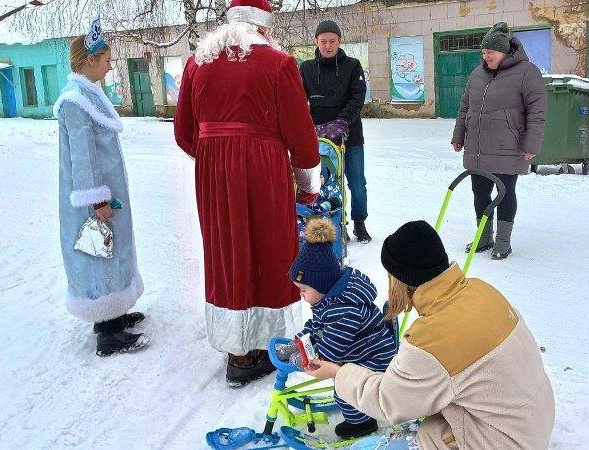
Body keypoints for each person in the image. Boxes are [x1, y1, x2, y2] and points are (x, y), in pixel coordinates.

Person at [305, 221, 555, 449]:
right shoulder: (481, 290)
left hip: (503, 441)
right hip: (533, 422)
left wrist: (339, 373)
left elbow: (387, 402)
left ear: (400, 279)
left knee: (417, 438)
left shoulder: (431, 339)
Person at [174, 0, 321, 387]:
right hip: (264, 169)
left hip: (213, 174)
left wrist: (215, 156)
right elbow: (302, 137)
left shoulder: (197, 63)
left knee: (227, 250)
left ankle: (237, 351)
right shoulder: (278, 63)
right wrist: (307, 185)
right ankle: (266, 343)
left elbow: (184, 133)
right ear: (264, 25)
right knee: (270, 247)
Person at [55, 24, 148, 356]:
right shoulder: (75, 101)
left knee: (113, 248)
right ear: (91, 61)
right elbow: (83, 158)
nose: (111, 66)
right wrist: (97, 200)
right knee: (100, 252)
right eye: (107, 60)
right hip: (95, 196)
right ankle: (107, 333)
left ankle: (114, 314)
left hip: (106, 191)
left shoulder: (88, 94)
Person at [286, 217, 397, 439]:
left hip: (373, 358)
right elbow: (317, 326)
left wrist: (305, 358)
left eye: (303, 289)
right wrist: (297, 343)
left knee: (343, 387)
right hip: (360, 349)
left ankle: (361, 423)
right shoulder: (328, 300)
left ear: (322, 285)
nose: (301, 294)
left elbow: (331, 353)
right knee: (342, 377)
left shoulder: (343, 311)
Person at [451, 22, 547, 260]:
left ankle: (503, 241)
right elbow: (465, 107)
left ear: (504, 50)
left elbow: (537, 112)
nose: (486, 57)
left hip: (508, 145)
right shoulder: (477, 73)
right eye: (483, 53)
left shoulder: (527, 72)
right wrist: (458, 135)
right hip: (478, 146)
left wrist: (531, 145)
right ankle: (484, 237)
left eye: (490, 52)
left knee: (504, 192)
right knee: (479, 193)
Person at [299, 20, 372, 244]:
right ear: (316, 42)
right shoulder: (307, 69)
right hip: (319, 139)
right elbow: (299, 101)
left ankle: (359, 223)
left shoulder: (353, 65)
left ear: (339, 41)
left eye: (332, 41)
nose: (328, 46)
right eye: (323, 41)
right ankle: (336, 223)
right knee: (327, 184)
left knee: (356, 184)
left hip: (350, 136)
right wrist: (306, 126)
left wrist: (342, 121)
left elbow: (357, 97)